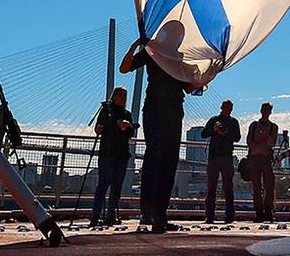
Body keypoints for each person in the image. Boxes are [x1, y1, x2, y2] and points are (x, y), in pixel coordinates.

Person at [120, 39, 191, 233]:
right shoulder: (152, 52)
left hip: (174, 111)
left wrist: (207, 74)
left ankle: (160, 214)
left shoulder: (180, 59)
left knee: (169, 161)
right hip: (155, 110)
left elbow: (190, 87)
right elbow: (124, 69)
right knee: (154, 158)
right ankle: (149, 212)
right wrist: (135, 46)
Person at [91, 86, 135, 226]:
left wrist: (128, 126)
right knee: (103, 184)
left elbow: (131, 133)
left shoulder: (127, 114)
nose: (124, 98)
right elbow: (98, 127)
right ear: (114, 97)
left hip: (121, 154)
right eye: (121, 95)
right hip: (107, 153)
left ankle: (110, 216)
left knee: (117, 186)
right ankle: (95, 217)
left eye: (125, 96)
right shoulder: (106, 111)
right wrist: (98, 128)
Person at [202, 100, 241, 224]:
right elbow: (204, 134)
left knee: (228, 187)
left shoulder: (234, 122)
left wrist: (226, 132)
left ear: (232, 109)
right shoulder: (213, 120)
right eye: (226, 108)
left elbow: (238, 137)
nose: (227, 110)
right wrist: (214, 129)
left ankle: (229, 215)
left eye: (229, 108)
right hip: (214, 157)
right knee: (211, 187)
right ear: (221, 107)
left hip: (226, 156)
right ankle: (209, 215)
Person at [246, 102, 278, 223]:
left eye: (268, 110)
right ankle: (259, 212)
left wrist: (262, 144)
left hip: (266, 160)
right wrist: (260, 148)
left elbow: (272, 143)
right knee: (256, 186)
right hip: (255, 159)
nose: (265, 112)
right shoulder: (253, 125)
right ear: (261, 110)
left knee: (269, 186)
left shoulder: (273, 127)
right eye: (264, 109)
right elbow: (249, 141)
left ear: (270, 112)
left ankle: (268, 212)